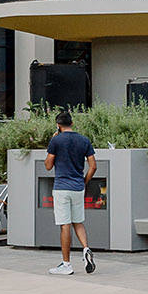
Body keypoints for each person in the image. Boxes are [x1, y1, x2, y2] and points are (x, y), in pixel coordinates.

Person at [45, 110, 97, 276]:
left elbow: (48, 165)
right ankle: (86, 249)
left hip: (62, 188)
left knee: (65, 225)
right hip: (78, 188)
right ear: (72, 123)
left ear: (58, 125)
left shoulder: (56, 140)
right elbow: (93, 166)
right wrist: (84, 181)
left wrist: (53, 141)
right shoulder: (84, 140)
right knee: (78, 222)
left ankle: (66, 264)